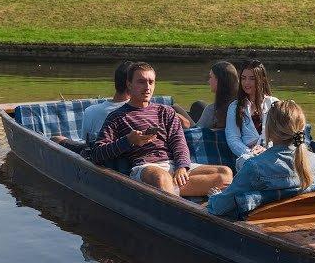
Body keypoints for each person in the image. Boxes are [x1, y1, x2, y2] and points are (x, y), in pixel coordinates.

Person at [86, 62, 232, 196]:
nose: (147, 87)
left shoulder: (166, 111)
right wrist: (128, 140)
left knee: (225, 173)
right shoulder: (117, 117)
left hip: (172, 164)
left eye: (151, 82)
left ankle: (170, 190)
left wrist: (182, 166)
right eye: (141, 82)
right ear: (129, 84)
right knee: (161, 177)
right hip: (146, 167)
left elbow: (179, 143)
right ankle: (178, 200)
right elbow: (97, 153)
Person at [208, 100, 315, 217]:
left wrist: (215, 196)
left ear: (269, 130)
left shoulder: (255, 166)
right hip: (298, 218)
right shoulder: (314, 160)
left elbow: (219, 207)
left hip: (261, 224)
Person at [225, 60, 279, 170]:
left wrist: (267, 150)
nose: (246, 83)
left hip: (272, 153)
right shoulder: (234, 107)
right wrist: (250, 152)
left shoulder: (274, 104)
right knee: (248, 162)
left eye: (252, 78)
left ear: (262, 79)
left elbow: (282, 133)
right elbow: (233, 139)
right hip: (248, 157)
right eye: (243, 78)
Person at [76, 61, 135, 142]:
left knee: (57, 139)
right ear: (130, 85)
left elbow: (85, 142)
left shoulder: (90, 111)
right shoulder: (138, 111)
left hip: (94, 151)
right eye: (141, 82)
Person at [194, 61, 240, 130]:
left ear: (219, 81)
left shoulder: (212, 110)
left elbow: (195, 132)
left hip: (206, 134)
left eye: (210, 77)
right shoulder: (241, 103)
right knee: (198, 105)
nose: (208, 81)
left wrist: (178, 111)